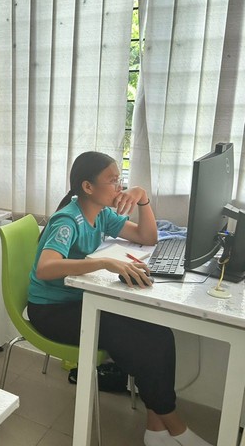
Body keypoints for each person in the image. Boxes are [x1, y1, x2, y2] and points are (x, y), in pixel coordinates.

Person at [27, 152, 211, 446]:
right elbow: (45, 268)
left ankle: (156, 428)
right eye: (113, 181)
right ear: (88, 187)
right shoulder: (68, 220)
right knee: (134, 340)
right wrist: (104, 263)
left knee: (159, 332)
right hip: (51, 310)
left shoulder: (101, 213)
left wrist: (143, 199)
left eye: (120, 180)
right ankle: (175, 426)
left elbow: (147, 237)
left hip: (81, 300)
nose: (119, 187)